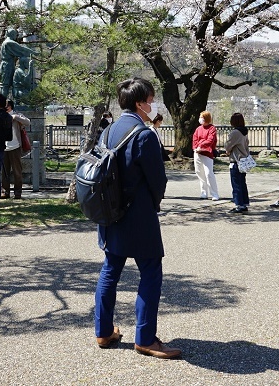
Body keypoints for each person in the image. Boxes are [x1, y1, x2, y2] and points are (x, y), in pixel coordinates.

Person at [94, 77, 180, 359]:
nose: (153, 104)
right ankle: (145, 338)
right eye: (151, 99)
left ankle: (104, 331)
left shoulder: (107, 131)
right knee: (151, 273)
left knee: (110, 271)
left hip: (109, 212)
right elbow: (158, 180)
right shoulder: (143, 134)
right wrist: (153, 204)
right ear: (141, 103)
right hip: (138, 215)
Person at [2, 99, 31, 199]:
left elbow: (28, 122)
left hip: (15, 147)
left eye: (6, 105)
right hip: (3, 148)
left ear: (10, 106)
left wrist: (16, 117)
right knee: (4, 172)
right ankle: (5, 192)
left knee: (17, 171)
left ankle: (17, 192)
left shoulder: (16, 115)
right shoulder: (0, 115)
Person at [0, 28, 36, 100]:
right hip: (7, 65)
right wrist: (33, 53)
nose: (16, 37)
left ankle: (2, 102)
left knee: (4, 84)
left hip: (5, 64)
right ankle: (2, 102)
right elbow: (21, 49)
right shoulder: (9, 42)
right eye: (15, 35)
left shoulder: (5, 42)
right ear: (12, 34)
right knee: (5, 85)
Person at [224, 112, 250, 213]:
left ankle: (239, 204)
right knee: (242, 183)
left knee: (236, 184)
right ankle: (244, 203)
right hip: (244, 161)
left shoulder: (235, 133)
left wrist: (228, 150)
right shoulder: (244, 132)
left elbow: (227, 146)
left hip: (236, 161)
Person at [192, 110, 219, 201]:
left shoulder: (212, 128)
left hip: (207, 153)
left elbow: (210, 140)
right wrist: (196, 147)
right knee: (199, 172)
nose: (200, 119)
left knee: (208, 174)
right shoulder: (198, 129)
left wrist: (201, 146)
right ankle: (203, 192)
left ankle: (214, 193)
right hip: (197, 153)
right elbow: (195, 139)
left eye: (202, 118)